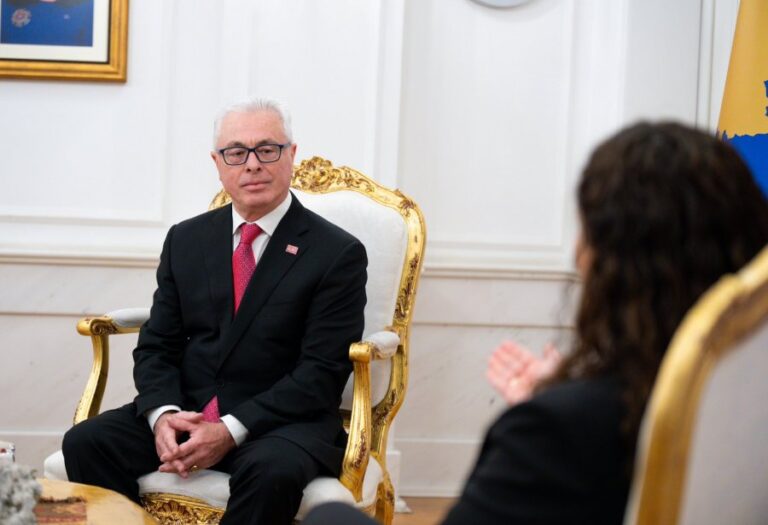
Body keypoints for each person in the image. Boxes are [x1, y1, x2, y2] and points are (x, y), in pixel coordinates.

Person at [304, 121, 768, 525]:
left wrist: (554, 415)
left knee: (328, 516)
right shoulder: (742, 392)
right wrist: (565, 394)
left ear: (607, 262)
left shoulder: (561, 431)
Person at [62, 98, 368, 525]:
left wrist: (229, 429)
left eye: (267, 150)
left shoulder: (336, 252)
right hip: (190, 409)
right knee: (87, 442)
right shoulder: (185, 240)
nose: (252, 164)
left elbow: (321, 372)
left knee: (271, 473)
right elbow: (157, 345)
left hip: (279, 424)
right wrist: (164, 415)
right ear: (218, 163)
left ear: (291, 155)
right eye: (236, 152)